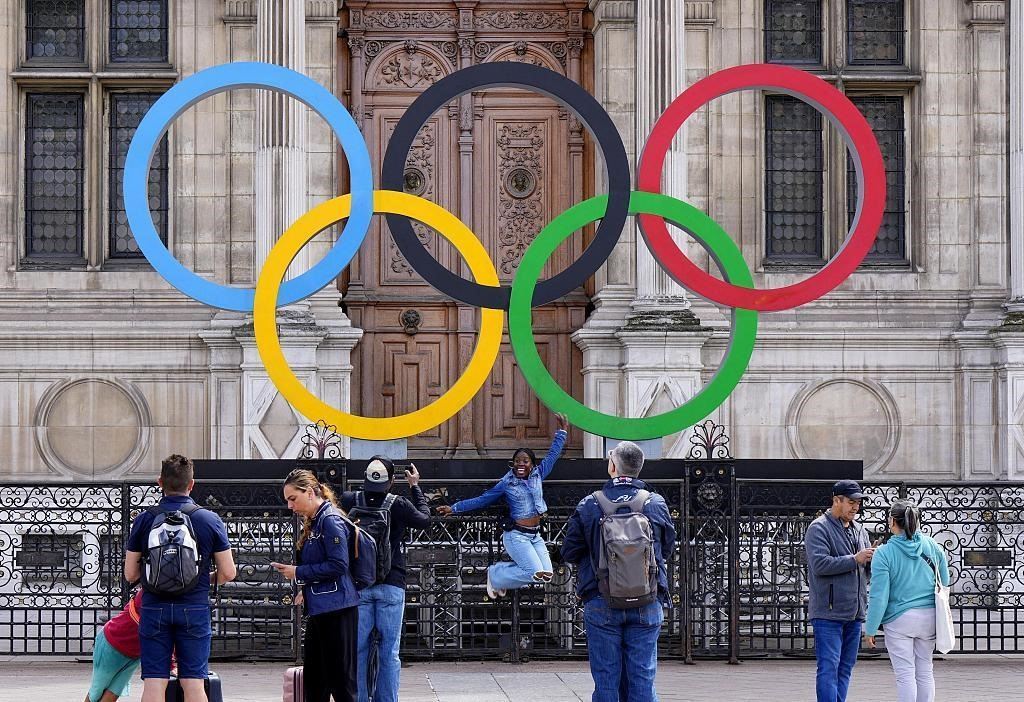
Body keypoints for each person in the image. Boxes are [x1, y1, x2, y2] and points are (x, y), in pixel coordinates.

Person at [560, 441, 676, 702]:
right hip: (647, 599)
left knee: (606, 679)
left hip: (601, 598)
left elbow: (569, 551)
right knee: (643, 678)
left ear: (612, 466)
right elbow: (667, 548)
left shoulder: (590, 504)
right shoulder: (655, 503)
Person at [124, 454, 236, 702]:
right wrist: (201, 578)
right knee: (193, 682)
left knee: (154, 682)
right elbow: (228, 572)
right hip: (194, 607)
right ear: (192, 484)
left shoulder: (145, 519)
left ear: (160, 482)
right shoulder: (208, 519)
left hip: (154, 607)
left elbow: (130, 573)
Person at [437, 413, 569, 598]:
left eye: (525, 461)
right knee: (534, 572)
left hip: (535, 535)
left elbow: (553, 455)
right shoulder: (507, 483)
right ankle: (496, 574)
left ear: (532, 464)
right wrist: (454, 508)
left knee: (546, 574)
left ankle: (503, 579)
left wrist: (562, 432)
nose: (520, 464)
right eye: (517, 461)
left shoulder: (539, 474)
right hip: (517, 536)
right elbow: (483, 499)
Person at [339, 457, 431, 702]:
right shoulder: (397, 504)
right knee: (389, 652)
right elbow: (425, 519)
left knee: (358, 650)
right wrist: (415, 486)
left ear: (365, 479)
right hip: (392, 582)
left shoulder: (349, 500)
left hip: (359, 585)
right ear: (391, 481)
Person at [271, 469, 359, 702]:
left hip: (337, 608)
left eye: (293, 498)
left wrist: (298, 572)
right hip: (323, 606)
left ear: (310, 492)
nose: (290, 506)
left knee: (340, 682)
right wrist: (305, 587)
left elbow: (339, 564)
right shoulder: (318, 520)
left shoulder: (329, 520)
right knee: (316, 679)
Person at [865, 501, 951, 702]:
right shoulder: (932, 545)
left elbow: (879, 595)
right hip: (929, 616)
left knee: (905, 674)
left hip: (899, 619)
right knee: (925, 670)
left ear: (892, 521)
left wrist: (870, 629)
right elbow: (945, 581)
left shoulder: (883, 553)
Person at [805, 479, 878, 702]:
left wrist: (872, 560)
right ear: (836, 500)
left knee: (845, 667)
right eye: (851, 502)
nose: (856, 507)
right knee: (829, 667)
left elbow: (864, 571)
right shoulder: (818, 528)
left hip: (854, 613)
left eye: (858, 503)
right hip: (828, 613)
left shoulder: (860, 530)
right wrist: (855, 559)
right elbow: (819, 565)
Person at [84, 589, 147, 702]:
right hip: (113, 643)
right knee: (97, 692)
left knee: (114, 692)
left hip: (135, 652)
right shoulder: (149, 591)